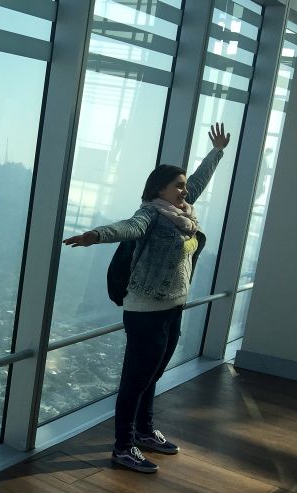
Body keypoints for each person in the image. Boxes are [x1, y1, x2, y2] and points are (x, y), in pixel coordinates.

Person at [63, 122, 231, 473]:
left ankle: (143, 431)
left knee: (152, 373)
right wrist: (96, 235)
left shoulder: (182, 213)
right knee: (136, 378)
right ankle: (123, 447)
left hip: (173, 304)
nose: (186, 191)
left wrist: (217, 152)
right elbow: (129, 227)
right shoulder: (152, 214)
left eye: (185, 186)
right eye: (179, 186)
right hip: (146, 309)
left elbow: (198, 181)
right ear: (160, 190)